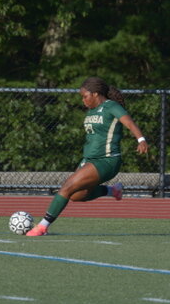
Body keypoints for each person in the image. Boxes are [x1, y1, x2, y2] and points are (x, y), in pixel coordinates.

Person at [26, 76, 149, 236]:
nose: (83, 100)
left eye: (85, 96)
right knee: (77, 195)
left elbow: (129, 123)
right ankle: (112, 191)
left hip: (107, 160)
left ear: (95, 94)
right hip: (90, 160)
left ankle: (42, 226)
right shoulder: (92, 111)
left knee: (67, 187)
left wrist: (141, 140)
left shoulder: (111, 106)